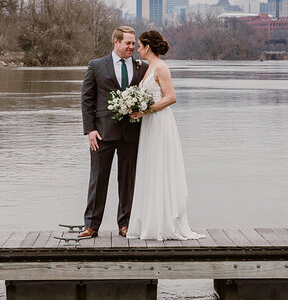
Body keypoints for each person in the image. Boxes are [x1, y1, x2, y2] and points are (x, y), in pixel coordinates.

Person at [126, 31, 203, 241]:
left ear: (148, 47)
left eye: (140, 46)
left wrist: (146, 110)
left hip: (160, 122)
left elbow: (171, 97)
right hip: (150, 123)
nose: (137, 50)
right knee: (150, 169)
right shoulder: (148, 67)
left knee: (160, 168)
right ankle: (150, 222)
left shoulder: (161, 67)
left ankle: (164, 223)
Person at [79, 25, 147, 238]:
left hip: (131, 133)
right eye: (127, 43)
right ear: (116, 42)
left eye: (133, 44)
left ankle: (125, 224)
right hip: (102, 133)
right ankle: (91, 225)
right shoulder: (96, 65)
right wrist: (90, 129)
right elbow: (87, 98)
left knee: (127, 180)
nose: (131, 47)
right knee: (98, 178)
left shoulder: (141, 67)